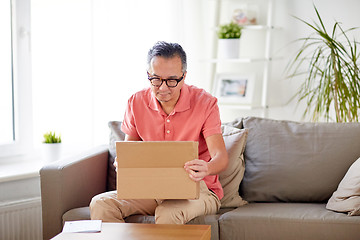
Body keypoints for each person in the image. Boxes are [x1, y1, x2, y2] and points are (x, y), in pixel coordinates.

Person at [90, 41, 228, 224]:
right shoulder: (136, 101)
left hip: (198, 190)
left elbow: (221, 157)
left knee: (168, 213)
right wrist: (123, 162)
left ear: (184, 76)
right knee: (100, 204)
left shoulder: (206, 103)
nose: (163, 88)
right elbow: (129, 148)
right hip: (150, 188)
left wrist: (207, 168)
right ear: (148, 75)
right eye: (155, 79)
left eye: (172, 81)